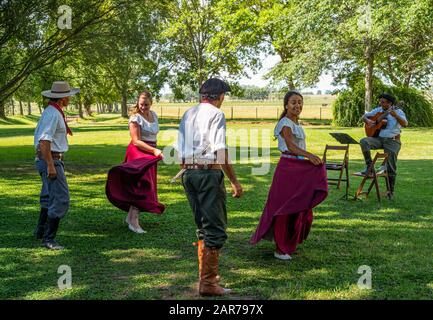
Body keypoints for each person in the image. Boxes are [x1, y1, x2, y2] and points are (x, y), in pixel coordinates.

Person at [177, 78, 243, 296]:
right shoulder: (217, 114)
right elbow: (220, 151)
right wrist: (233, 180)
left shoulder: (188, 113)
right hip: (207, 173)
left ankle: (205, 279)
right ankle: (208, 283)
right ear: (220, 96)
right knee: (214, 227)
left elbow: (180, 150)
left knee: (202, 227)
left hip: (188, 173)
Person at [250, 90, 328, 260]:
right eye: (293, 102)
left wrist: (308, 159)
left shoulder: (296, 123)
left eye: (300, 102)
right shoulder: (285, 123)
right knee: (286, 207)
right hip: (288, 168)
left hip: (297, 167)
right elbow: (291, 146)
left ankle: (289, 242)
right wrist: (310, 156)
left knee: (299, 205)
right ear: (286, 105)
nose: (297, 105)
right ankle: (280, 248)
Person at [106, 91, 165, 234]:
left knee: (145, 185)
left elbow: (152, 136)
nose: (143, 107)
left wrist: (154, 151)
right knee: (141, 186)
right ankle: (133, 222)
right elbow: (136, 141)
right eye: (141, 104)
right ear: (137, 103)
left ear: (151, 103)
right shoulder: (135, 118)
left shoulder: (154, 115)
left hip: (150, 153)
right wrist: (154, 151)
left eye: (146, 104)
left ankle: (130, 217)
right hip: (138, 153)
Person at [34, 81, 79, 250]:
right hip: (50, 159)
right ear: (62, 98)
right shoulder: (53, 114)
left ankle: (40, 231)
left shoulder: (52, 111)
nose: (70, 98)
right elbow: (45, 140)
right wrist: (51, 166)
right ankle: (49, 239)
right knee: (61, 198)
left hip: (48, 159)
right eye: (68, 95)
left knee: (48, 196)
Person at [359, 93, 408, 194]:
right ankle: (369, 167)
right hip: (379, 139)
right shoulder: (378, 110)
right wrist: (367, 121)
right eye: (380, 101)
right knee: (364, 141)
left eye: (383, 102)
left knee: (390, 167)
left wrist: (396, 116)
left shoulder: (398, 111)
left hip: (392, 141)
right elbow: (364, 116)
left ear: (390, 103)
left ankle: (390, 191)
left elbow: (405, 124)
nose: (380, 103)